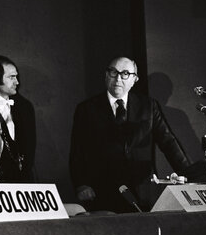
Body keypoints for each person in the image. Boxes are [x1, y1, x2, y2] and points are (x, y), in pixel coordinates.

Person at [69, 57, 190, 212]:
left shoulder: (148, 106)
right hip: (102, 192)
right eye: (113, 72)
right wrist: (81, 185)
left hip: (142, 192)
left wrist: (190, 176)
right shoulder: (86, 109)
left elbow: (168, 142)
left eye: (125, 73)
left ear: (135, 79)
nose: (118, 78)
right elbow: (77, 151)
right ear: (106, 76)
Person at [0, 55, 36, 183]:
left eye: (16, 77)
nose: (17, 82)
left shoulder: (25, 107)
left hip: (24, 184)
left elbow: (29, 149)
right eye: (11, 77)